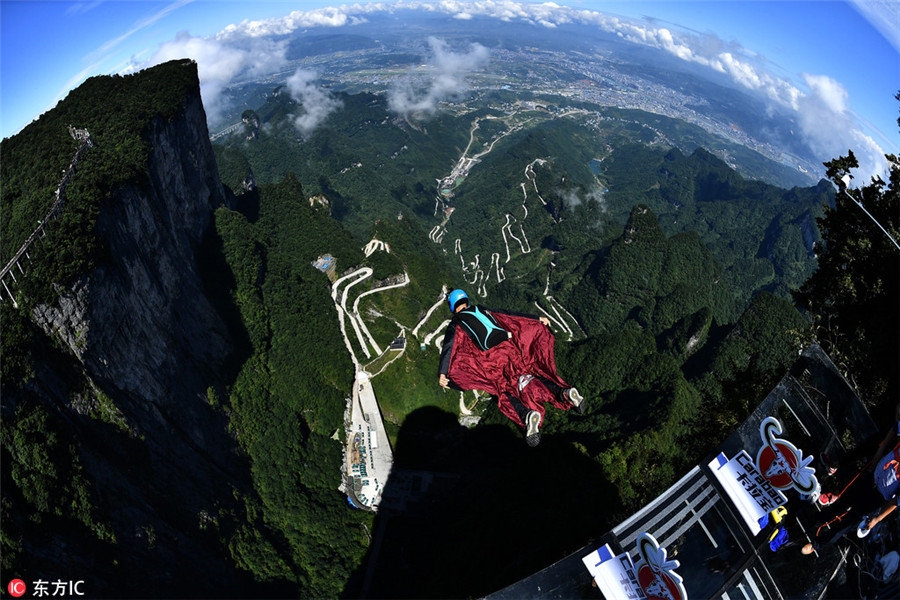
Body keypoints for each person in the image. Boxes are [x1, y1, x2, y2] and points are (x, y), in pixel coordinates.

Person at [437, 289, 585, 447]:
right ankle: (563, 392)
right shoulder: (481, 309)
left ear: (452, 305)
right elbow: (509, 315)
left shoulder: (456, 324)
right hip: (510, 351)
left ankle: (526, 415)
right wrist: (536, 319)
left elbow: (448, 348)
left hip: (491, 364)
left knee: (503, 392)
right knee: (528, 377)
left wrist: (443, 372)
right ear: (466, 300)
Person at [802, 403, 900, 554]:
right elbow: (896, 427)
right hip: (870, 477)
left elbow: (897, 501)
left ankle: (816, 544)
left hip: (878, 497)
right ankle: (810, 522)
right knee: (840, 503)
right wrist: (879, 453)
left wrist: (877, 519)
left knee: (848, 523)